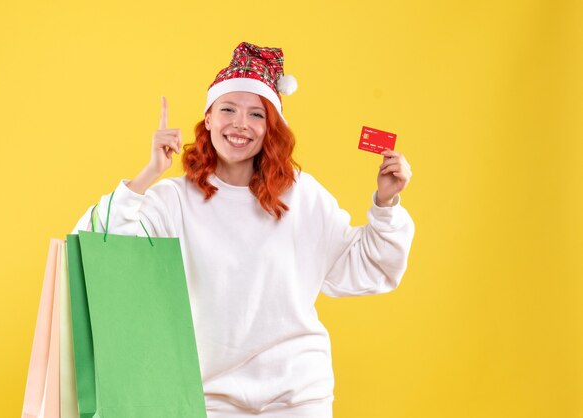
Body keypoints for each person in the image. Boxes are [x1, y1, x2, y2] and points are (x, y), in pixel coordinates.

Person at [72, 42, 415, 417]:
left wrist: (385, 205)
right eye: (228, 109)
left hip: (298, 395)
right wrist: (149, 173)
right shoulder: (174, 200)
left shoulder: (300, 194)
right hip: (208, 397)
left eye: (256, 114)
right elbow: (96, 246)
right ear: (208, 118)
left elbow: (365, 267)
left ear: (271, 128)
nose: (240, 124)